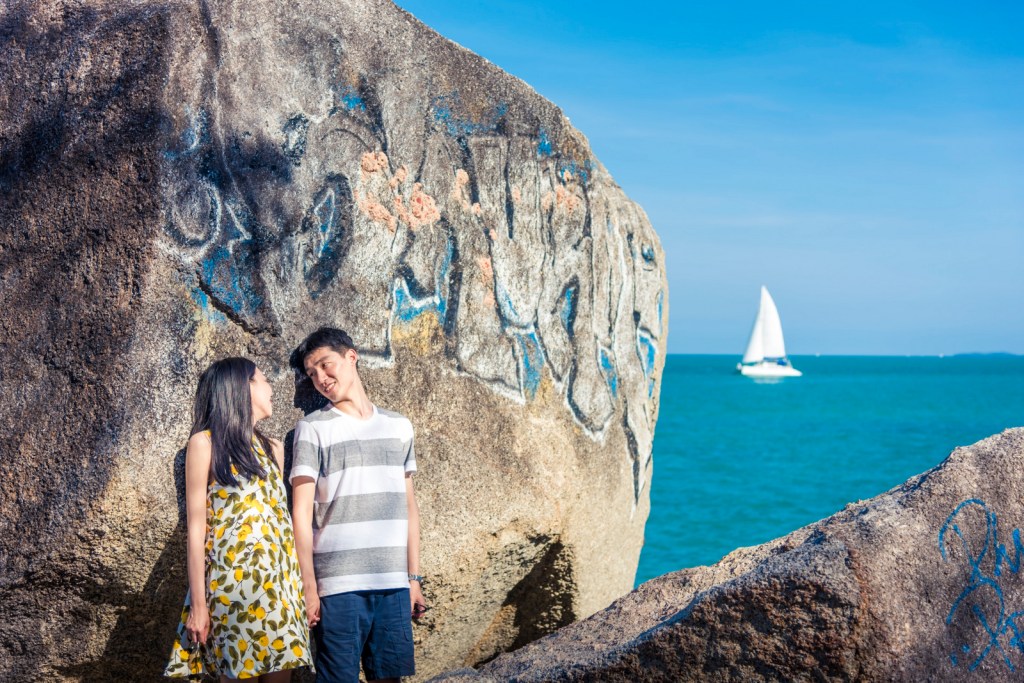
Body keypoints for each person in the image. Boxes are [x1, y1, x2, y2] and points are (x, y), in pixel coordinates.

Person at [289, 328, 426, 683]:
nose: (320, 378)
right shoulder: (312, 429)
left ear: (351, 356)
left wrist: (413, 578)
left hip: (393, 583)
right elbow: (300, 514)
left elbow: (410, 507)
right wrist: (309, 586)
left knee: (390, 678)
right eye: (311, 373)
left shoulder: (399, 426)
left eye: (325, 364)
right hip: (338, 586)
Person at [165, 358, 312, 681]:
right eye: (263, 380)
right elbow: (195, 528)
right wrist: (199, 605)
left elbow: (284, 524)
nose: (272, 389)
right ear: (241, 387)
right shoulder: (204, 443)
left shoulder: (273, 448)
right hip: (233, 591)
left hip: (279, 589)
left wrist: (304, 591)